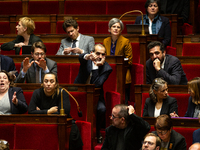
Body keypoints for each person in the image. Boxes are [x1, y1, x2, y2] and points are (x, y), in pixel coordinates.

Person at [74, 44, 112, 143]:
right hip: (79, 93)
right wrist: (87, 56)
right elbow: (80, 57)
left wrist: (95, 67)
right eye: (97, 53)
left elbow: (96, 85)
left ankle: (97, 132)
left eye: (102, 54)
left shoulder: (107, 68)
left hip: (96, 97)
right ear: (92, 53)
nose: (100, 56)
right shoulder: (87, 60)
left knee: (102, 109)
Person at [103, 18, 133, 84]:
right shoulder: (105, 41)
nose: (116, 29)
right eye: (114, 26)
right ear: (109, 29)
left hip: (122, 72)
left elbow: (129, 61)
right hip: (108, 71)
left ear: (121, 30)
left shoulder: (125, 41)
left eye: (118, 27)